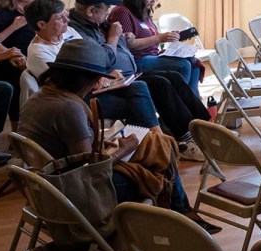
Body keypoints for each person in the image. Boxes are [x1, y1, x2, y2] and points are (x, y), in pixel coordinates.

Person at [16, 39, 218, 232]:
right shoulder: (68, 109)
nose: (96, 86)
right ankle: (169, 232)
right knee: (160, 165)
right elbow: (90, 170)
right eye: (96, 80)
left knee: (157, 147)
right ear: (83, 79)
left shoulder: (38, 99)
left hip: (48, 188)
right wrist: (123, 149)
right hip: (76, 193)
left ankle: (179, 220)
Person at [68, 0, 209, 160]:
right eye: (105, 10)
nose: (108, 15)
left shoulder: (97, 24)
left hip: (126, 75)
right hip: (107, 82)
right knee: (161, 83)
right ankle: (186, 139)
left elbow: (115, 47)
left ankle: (203, 126)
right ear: (90, 11)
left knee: (172, 76)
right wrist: (113, 37)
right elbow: (102, 59)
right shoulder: (78, 32)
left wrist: (123, 39)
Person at [107, 0, 202, 94]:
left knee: (194, 63)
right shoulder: (122, 12)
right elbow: (126, 45)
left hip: (153, 55)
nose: (153, 1)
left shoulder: (143, 11)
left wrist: (167, 36)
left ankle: (193, 102)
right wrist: (159, 38)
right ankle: (181, 101)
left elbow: (150, 36)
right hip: (137, 60)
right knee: (183, 65)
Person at [0, 0, 37, 129]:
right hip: (4, 64)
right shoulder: (1, 15)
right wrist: (14, 27)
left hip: (28, 57)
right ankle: (17, 131)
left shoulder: (34, 15)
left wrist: (17, 55)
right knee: (16, 76)